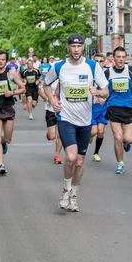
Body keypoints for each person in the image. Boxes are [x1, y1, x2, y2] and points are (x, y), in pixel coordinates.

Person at [43, 33, 109, 212]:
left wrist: (98, 92)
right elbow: (46, 84)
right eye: (73, 46)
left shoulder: (93, 66)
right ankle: (65, 190)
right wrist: (52, 101)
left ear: (82, 48)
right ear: (68, 47)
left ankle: (73, 195)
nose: (76, 49)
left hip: (85, 121)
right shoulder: (58, 67)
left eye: (79, 46)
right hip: (66, 119)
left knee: (79, 162)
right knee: (71, 157)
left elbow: (106, 91)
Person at [105, 46, 132, 174]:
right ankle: (120, 163)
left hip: (128, 107)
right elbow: (103, 87)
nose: (120, 59)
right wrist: (100, 96)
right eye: (118, 57)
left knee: (128, 139)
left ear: (125, 58)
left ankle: (126, 144)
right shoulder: (108, 72)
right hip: (113, 107)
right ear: (113, 58)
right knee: (118, 138)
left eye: (122, 57)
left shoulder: (131, 70)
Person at [38, 76, 63, 164]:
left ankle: (57, 155)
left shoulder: (66, 79)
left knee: (60, 135)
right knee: (52, 136)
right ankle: (49, 134)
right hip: (50, 109)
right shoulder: (49, 79)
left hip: (62, 110)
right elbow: (40, 90)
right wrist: (49, 99)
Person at [90, 54, 109, 162]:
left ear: (104, 62)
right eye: (96, 61)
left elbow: (110, 91)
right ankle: (90, 136)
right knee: (93, 132)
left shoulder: (107, 74)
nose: (98, 63)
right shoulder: (90, 74)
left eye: (100, 61)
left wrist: (105, 98)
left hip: (102, 108)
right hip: (91, 108)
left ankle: (96, 153)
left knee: (100, 132)